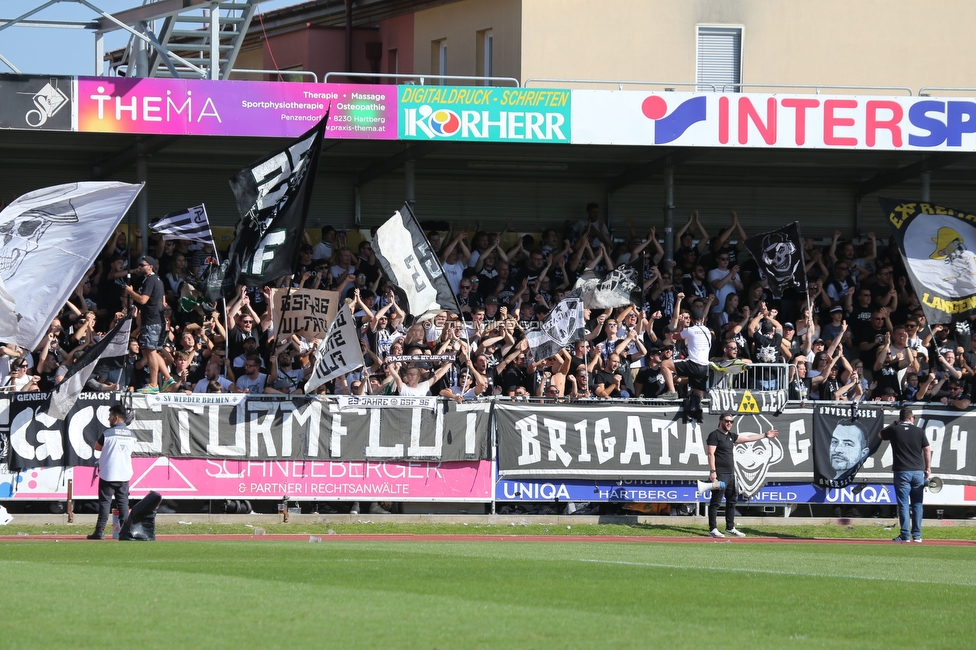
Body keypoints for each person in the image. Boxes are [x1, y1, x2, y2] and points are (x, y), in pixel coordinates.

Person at [705, 412, 778, 538]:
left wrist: (765, 435)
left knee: (732, 501)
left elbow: (748, 438)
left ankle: (730, 527)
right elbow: (711, 454)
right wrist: (713, 472)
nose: (729, 423)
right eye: (727, 421)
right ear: (721, 421)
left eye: (731, 422)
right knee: (715, 502)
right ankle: (713, 529)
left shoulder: (731, 436)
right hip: (720, 474)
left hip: (730, 475)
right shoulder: (714, 435)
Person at [880, 407, 932, 543]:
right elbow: (927, 450)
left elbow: (880, 434)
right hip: (917, 471)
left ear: (900, 419)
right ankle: (917, 535)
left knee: (903, 504)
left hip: (902, 470)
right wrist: (928, 468)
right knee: (917, 504)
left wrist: (894, 424)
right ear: (912, 418)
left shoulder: (894, 430)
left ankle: (905, 535)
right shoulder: (919, 431)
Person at [88, 404, 136, 540]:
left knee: (105, 503)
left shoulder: (107, 434)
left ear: (115, 418)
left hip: (108, 473)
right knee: (123, 505)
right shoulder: (132, 435)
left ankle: (100, 531)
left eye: (110, 416)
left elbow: (97, 447)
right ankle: (126, 532)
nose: (108, 419)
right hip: (124, 474)